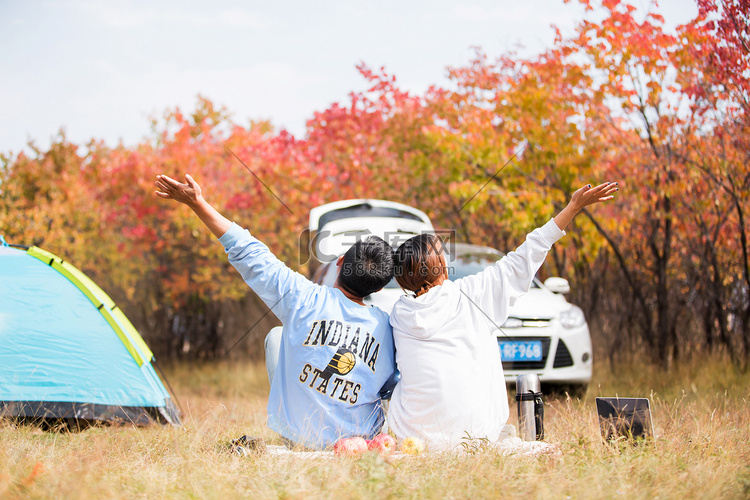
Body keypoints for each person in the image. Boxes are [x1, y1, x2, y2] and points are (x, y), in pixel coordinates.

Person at [154, 174, 398, 450]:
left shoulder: (303, 297)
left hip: (302, 440)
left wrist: (198, 203)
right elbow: (391, 388)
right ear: (377, 288)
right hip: (362, 444)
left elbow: (249, 252)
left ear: (339, 262)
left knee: (277, 336)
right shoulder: (388, 328)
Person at [387, 182, 619, 451]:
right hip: (474, 437)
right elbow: (528, 253)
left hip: (414, 439)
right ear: (440, 267)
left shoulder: (398, 315)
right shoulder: (471, 295)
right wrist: (573, 207)